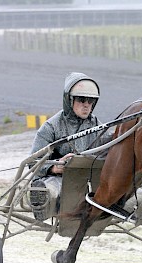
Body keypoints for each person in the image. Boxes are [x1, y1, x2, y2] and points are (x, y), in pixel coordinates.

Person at [29, 72, 111, 221]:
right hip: (57, 179)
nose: (86, 104)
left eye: (91, 100)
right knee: (50, 191)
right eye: (81, 99)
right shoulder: (51, 127)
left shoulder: (98, 126)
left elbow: (110, 148)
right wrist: (54, 167)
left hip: (87, 181)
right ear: (69, 99)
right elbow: (32, 163)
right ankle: (41, 200)